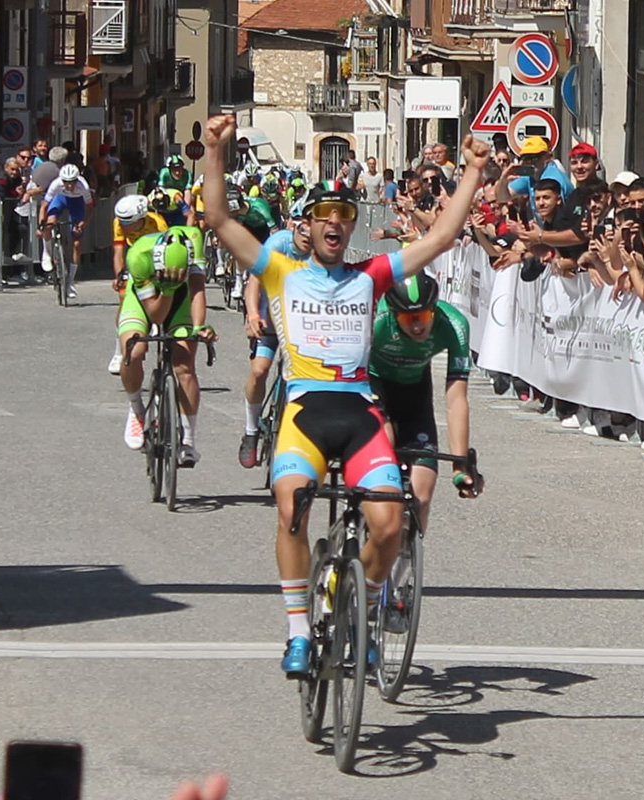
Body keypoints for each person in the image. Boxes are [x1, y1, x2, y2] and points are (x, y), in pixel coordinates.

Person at [200, 112, 490, 676]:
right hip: (306, 407)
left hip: (358, 408)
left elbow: (441, 237)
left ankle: (361, 607)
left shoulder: (371, 274)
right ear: (307, 226)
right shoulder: (281, 269)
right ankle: (298, 630)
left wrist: (474, 172)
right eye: (324, 215)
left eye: (345, 215)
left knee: (389, 523)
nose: (335, 222)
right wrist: (215, 152)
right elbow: (217, 216)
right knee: (292, 508)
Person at [369, 272, 480, 537]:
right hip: (373, 385)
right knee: (384, 446)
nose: (418, 325)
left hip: (414, 394)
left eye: (425, 316)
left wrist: (460, 466)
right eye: (408, 318)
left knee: (422, 497)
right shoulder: (377, 322)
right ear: (395, 315)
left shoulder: (454, 325)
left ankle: (403, 567)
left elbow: (456, 399)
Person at [117, 227, 217, 466]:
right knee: (134, 350)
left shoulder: (193, 239)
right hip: (146, 300)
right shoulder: (138, 256)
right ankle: (136, 409)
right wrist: (167, 288)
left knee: (184, 365)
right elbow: (156, 315)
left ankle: (188, 440)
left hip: (180, 296)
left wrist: (199, 326)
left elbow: (197, 290)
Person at [238, 215, 313, 468]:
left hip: (301, 324)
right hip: (269, 317)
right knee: (259, 370)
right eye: (303, 231)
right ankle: (251, 430)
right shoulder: (277, 244)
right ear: (293, 226)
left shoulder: (320, 252)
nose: (307, 239)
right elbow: (254, 284)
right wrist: (253, 315)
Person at [108, 194, 169, 374]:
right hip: (134, 257)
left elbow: (164, 255)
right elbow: (118, 251)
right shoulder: (119, 222)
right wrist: (119, 275)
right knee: (123, 295)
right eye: (122, 222)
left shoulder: (158, 224)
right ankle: (119, 350)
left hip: (154, 257)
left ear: (141, 218)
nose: (123, 226)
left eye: (128, 223)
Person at [41, 163, 94, 298]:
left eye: (72, 182)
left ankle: (70, 281)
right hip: (60, 200)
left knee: (77, 243)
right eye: (66, 182)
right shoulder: (56, 184)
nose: (69, 186)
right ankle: (47, 253)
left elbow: (90, 209)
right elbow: (44, 206)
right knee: (49, 223)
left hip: (77, 203)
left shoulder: (83, 186)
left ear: (77, 180)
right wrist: (41, 224)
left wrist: (82, 223)